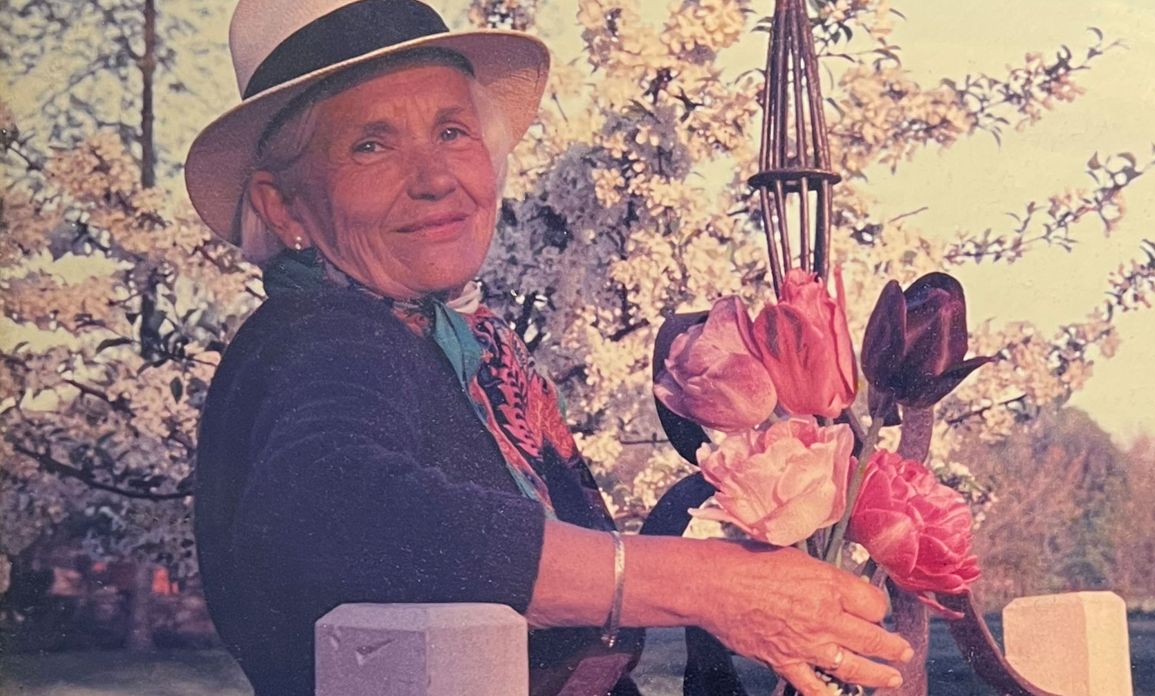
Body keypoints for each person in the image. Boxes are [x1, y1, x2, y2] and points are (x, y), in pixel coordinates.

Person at [184, 1, 913, 694]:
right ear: (284, 207)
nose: (436, 179)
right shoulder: (324, 333)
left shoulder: (456, 347)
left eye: (452, 132)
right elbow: (331, 505)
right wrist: (700, 582)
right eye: (370, 145)